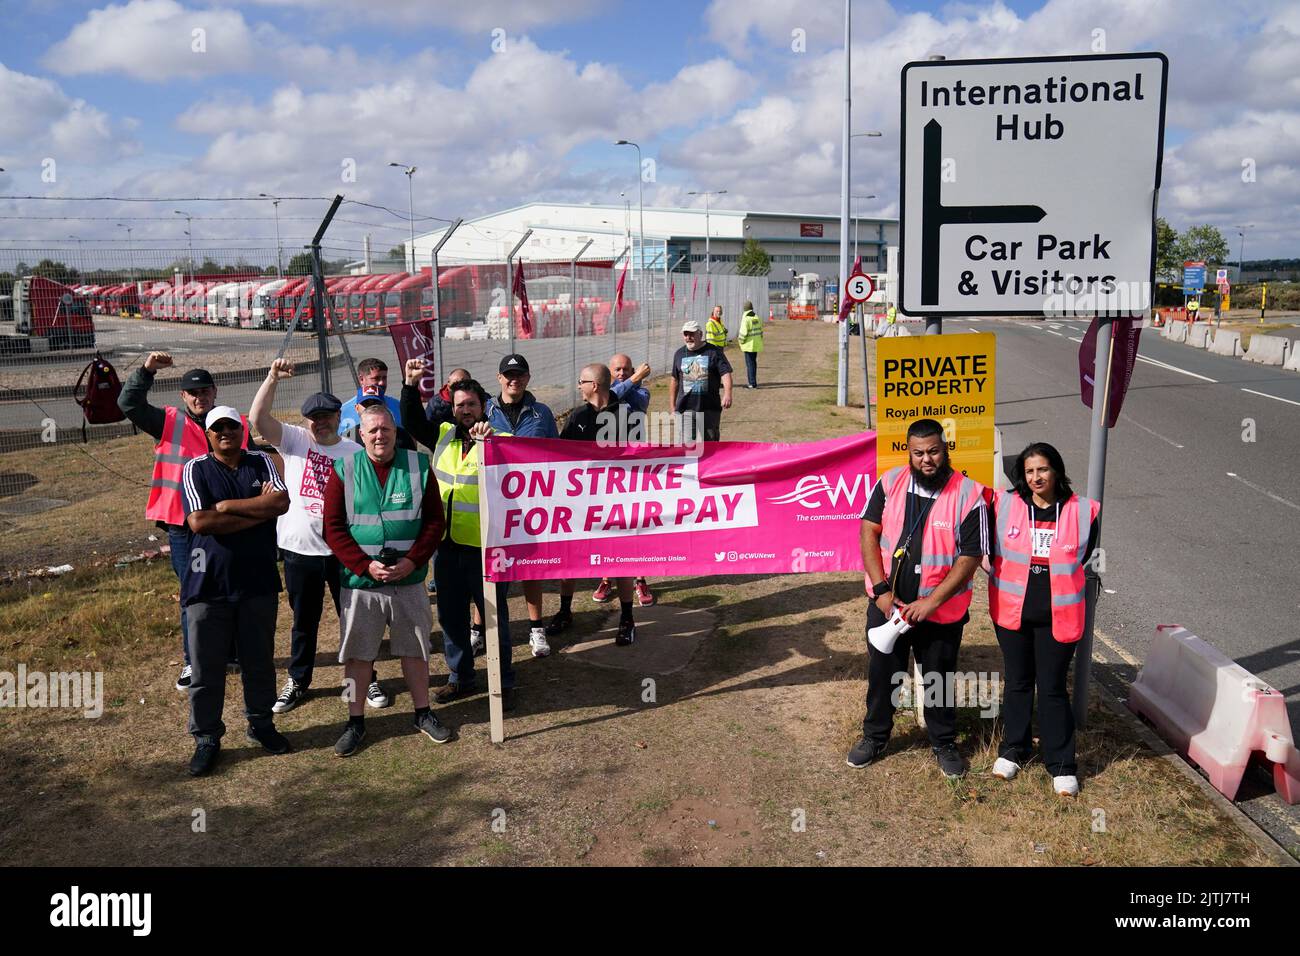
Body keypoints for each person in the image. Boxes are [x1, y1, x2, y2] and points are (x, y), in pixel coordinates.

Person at [846, 418, 989, 781]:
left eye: (934, 451)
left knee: (938, 678)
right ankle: (875, 737)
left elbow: (970, 557)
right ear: (909, 453)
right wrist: (881, 590)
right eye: (919, 453)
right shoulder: (890, 483)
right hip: (888, 606)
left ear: (946, 450)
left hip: (940, 612)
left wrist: (932, 602)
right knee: (883, 675)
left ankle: (943, 743)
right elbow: (868, 531)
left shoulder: (970, 495)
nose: (927, 459)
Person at [248, 359, 390, 714]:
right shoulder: (294, 440)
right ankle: (298, 680)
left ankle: (364, 678)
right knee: (304, 620)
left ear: (337, 418)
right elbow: (257, 419)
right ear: (306, 420)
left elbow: (370, 502)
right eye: (315, 417)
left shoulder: (355, 453)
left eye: (327, 416)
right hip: (299, 551)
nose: (321, 422)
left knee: (355, 619)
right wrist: (271, 378)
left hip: (344, 552)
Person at [322, 404, 451, 756]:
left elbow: (434, 523)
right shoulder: (344, 469)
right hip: (361, 583)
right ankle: (354, 720)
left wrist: (413, 561)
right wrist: (364, 565)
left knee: (415, 649)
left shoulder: (418, 466)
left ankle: (423, 713)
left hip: (407, 580)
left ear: (395, 432)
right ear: (360, 435)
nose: (380, 435)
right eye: (372, 430)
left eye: (386, 429)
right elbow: (332, 528)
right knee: (356, 656)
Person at [118, 353, 247, 691]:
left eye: (204, 391)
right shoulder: (169, 421)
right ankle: (194, 662)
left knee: (227, 585)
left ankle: (231, 654)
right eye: (192, 392)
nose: (199, 397)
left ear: (215, 392)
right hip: (183, 524)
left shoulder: (230, 425)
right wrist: (146, 371)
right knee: (194, 591)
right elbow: (128, 403)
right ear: (182, 396)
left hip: (222, 522)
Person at [181, 406, 291, 776]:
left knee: (258, 661)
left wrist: (228, 506)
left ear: (242, 429)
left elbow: (281, 502)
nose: (226, 432)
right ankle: (207, 737)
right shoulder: (195, 468)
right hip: (208, 585)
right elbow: (200, 522)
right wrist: (258, 510)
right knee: (206, 668)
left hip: (257, 581)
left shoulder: (261, 460)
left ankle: (261, 724)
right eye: (218, 428)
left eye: (232, 426)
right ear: (208, 435)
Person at [989, 442, 1099, 798]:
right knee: (1019, 682)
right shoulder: (1004, 504)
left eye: (1043, 469)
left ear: (1057, 471)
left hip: (1059, 615)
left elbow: (1084, 559)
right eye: (1029, 471)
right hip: (1012, 610)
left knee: (1052, 687)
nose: (1036, 477)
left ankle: (1062, 765)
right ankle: (1013, 750)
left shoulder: (1082, 511)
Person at [400, 374, 519, 706]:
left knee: (494, 619)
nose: (465, 410)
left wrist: (489, 443)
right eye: (459, 405)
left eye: (471, 404)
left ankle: (503, 681)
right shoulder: (443, 436)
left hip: (486, 548)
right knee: (451, 618)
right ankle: (461, 677)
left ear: (484, 406)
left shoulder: (503, 439)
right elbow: (411, 421)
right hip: (446, 548)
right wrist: (410, 387)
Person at [544, 364, 639, 648]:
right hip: (579, 505)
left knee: (621, 560)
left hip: (615, 505)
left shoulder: (627, 416)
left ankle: (626, 616)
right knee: (568, 560)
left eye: (581, 381)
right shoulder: (578, 416)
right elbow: (560, 456)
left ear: (595, 385)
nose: (578, 386)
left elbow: (641, 460)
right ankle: (564, 610)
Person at [485, 354, 558, 652]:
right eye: (508, 374)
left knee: (530, 567)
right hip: (492, 502)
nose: (513, 379)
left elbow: (557, 453)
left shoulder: (542, 413)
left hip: (532, 504)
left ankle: (536, 628)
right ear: (500, 378)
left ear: (528, 378)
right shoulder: (484, 411)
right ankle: (481, 629)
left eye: (519, 374)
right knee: (490, 570)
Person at [596, 354, 653, 607]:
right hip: (608, 468)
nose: (622, 373)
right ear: (610, 372)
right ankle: (608, 577)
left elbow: (631, 403)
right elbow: (607, 399)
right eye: (617, 369)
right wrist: (632, 379)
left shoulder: (642, 393)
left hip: (635, 470)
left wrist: (632, 383)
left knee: (635, 523)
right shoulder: (605, 393)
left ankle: (640, 578)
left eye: (627, 369)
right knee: (609, 523)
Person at [669, 320, 732, 443]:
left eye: (692, 334)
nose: (688, 337)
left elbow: (725, 373)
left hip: (709, 409)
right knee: (688, 447)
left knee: (711, 446)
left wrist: (728, 394)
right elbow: (674, 380)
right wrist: (672, 407)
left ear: (700, 334)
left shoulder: (714, 352)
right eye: (685, 334)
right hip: (685, 409)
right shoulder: (679, 354)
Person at [337, 357, 402, 435]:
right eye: (376, 378)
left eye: (384, 378)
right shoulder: (343, 412)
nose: (382, 383)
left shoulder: (397, 406)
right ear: (361, 379)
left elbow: (410, 439)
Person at [737, 300, 764, 389]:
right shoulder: (757, 318)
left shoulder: (746, 319)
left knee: (750, 364)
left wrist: (740, 342)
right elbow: (760, 332)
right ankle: (753, 382)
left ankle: (752, 383)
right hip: (756, 344)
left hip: (748, 345)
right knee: (753, 363)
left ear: (745, 309)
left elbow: (743, 333)